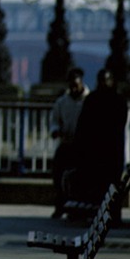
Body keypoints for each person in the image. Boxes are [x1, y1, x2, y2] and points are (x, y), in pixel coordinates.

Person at [72, 68, 129, 215]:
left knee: (111, 186)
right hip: (98, 152)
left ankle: (112, 216)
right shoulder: (94, 100)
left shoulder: (117, 100)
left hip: (110, 152)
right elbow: (83, 126)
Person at [49, 67, 88, 217]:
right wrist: (56, 130)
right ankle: (60, 204)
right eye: (71, 86)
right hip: (66, 143)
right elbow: (55, 120)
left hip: (81, 145)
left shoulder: (88, 100)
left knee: (79, 178)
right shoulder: (62, 102)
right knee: (58, 175)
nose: (74, 89)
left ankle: (76, 207)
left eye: (76, 85)